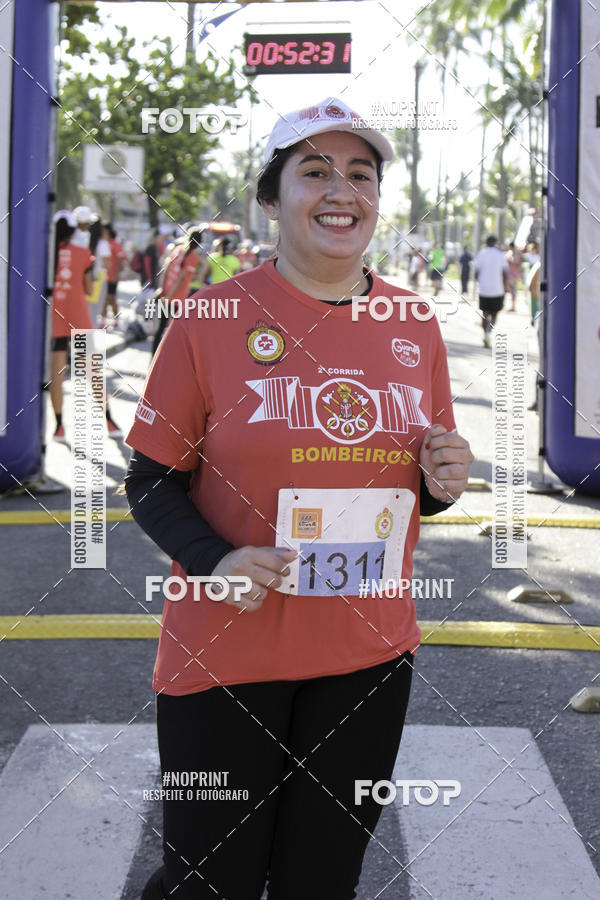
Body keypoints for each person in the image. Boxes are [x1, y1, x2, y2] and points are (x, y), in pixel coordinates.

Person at [124, 96, 473, 900]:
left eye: (360, 174)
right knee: (211, 882)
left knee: (324, 880)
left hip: (367, 658)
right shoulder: (210, 317)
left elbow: (420, 483)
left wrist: (440, 481)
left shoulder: (414, 324)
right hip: (226, 658)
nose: (340, 190)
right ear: (271, 198)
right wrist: (218, 559)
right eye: (314, 172)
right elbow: (150, 480)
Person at [50, 215, 122, 441]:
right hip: (78, 318)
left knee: (57, 375)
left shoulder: (46, 254)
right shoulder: (82, 253)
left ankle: (59, 427)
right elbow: (90, 290)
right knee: (93, 371)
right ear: (73, 231)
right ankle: (109, 422)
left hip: (55, 317)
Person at [152, 230, 205, 355]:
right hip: (177, 299)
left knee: (160, 329)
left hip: (165, 295)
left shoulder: (177, 250)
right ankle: (167, 358)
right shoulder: (193, 257)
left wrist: (161, 289)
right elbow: (182, 279)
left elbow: (165, 269)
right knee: (174, 332)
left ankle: (154, 358)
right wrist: (169, 296)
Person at [474, 234, 509, 347]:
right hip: (497, 290)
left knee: (484, 314)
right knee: (494, 315)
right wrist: (505, 287)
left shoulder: (481, 254)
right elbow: (505, 273)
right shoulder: (500, 255)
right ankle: (488, 333)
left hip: (484, 290)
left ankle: (485, 334)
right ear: (495, 243)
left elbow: (476, 273)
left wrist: (480, 283)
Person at [100, 223, 127, 326]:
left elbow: (120, 258)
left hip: (112, 276)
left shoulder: (114, 243)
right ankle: (103, 320)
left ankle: (116, 320)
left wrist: (117, 273)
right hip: (103, 277)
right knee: (105, 299)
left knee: (111, 299)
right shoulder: (101, 243)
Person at [505, 242, 522, 312]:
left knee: (511, 290)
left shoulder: (510, 253)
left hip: (511, 273)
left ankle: (512, 306)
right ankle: (513, 306)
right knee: (513, 290)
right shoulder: (517, 253)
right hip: (515, 273)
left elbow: (512, 261)